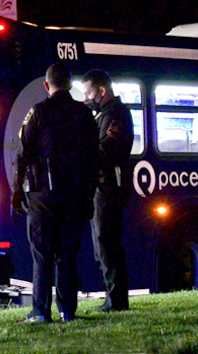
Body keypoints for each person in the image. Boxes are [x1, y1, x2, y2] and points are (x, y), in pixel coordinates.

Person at [12, 63, 98, 323]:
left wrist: (17, 191)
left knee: (42, 256)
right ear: (70, 85)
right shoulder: (84, 115)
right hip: (73, 196)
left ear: (46, 85)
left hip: (43, 197)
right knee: (67, 256)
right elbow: (94, 160)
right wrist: (88, 197)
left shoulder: (38, 113)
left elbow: (22, 154)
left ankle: (40, 312)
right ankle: (67, 311)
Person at [80, 69, 134, 312]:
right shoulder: (102, 114)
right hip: (101, 187)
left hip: (109, 187)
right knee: (101, 243)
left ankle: (116, 300)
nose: (86, 99)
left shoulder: (116, 115)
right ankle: (112, 297)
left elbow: (104, 151)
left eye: (88, 93)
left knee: (107, 242)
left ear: (102, 90)